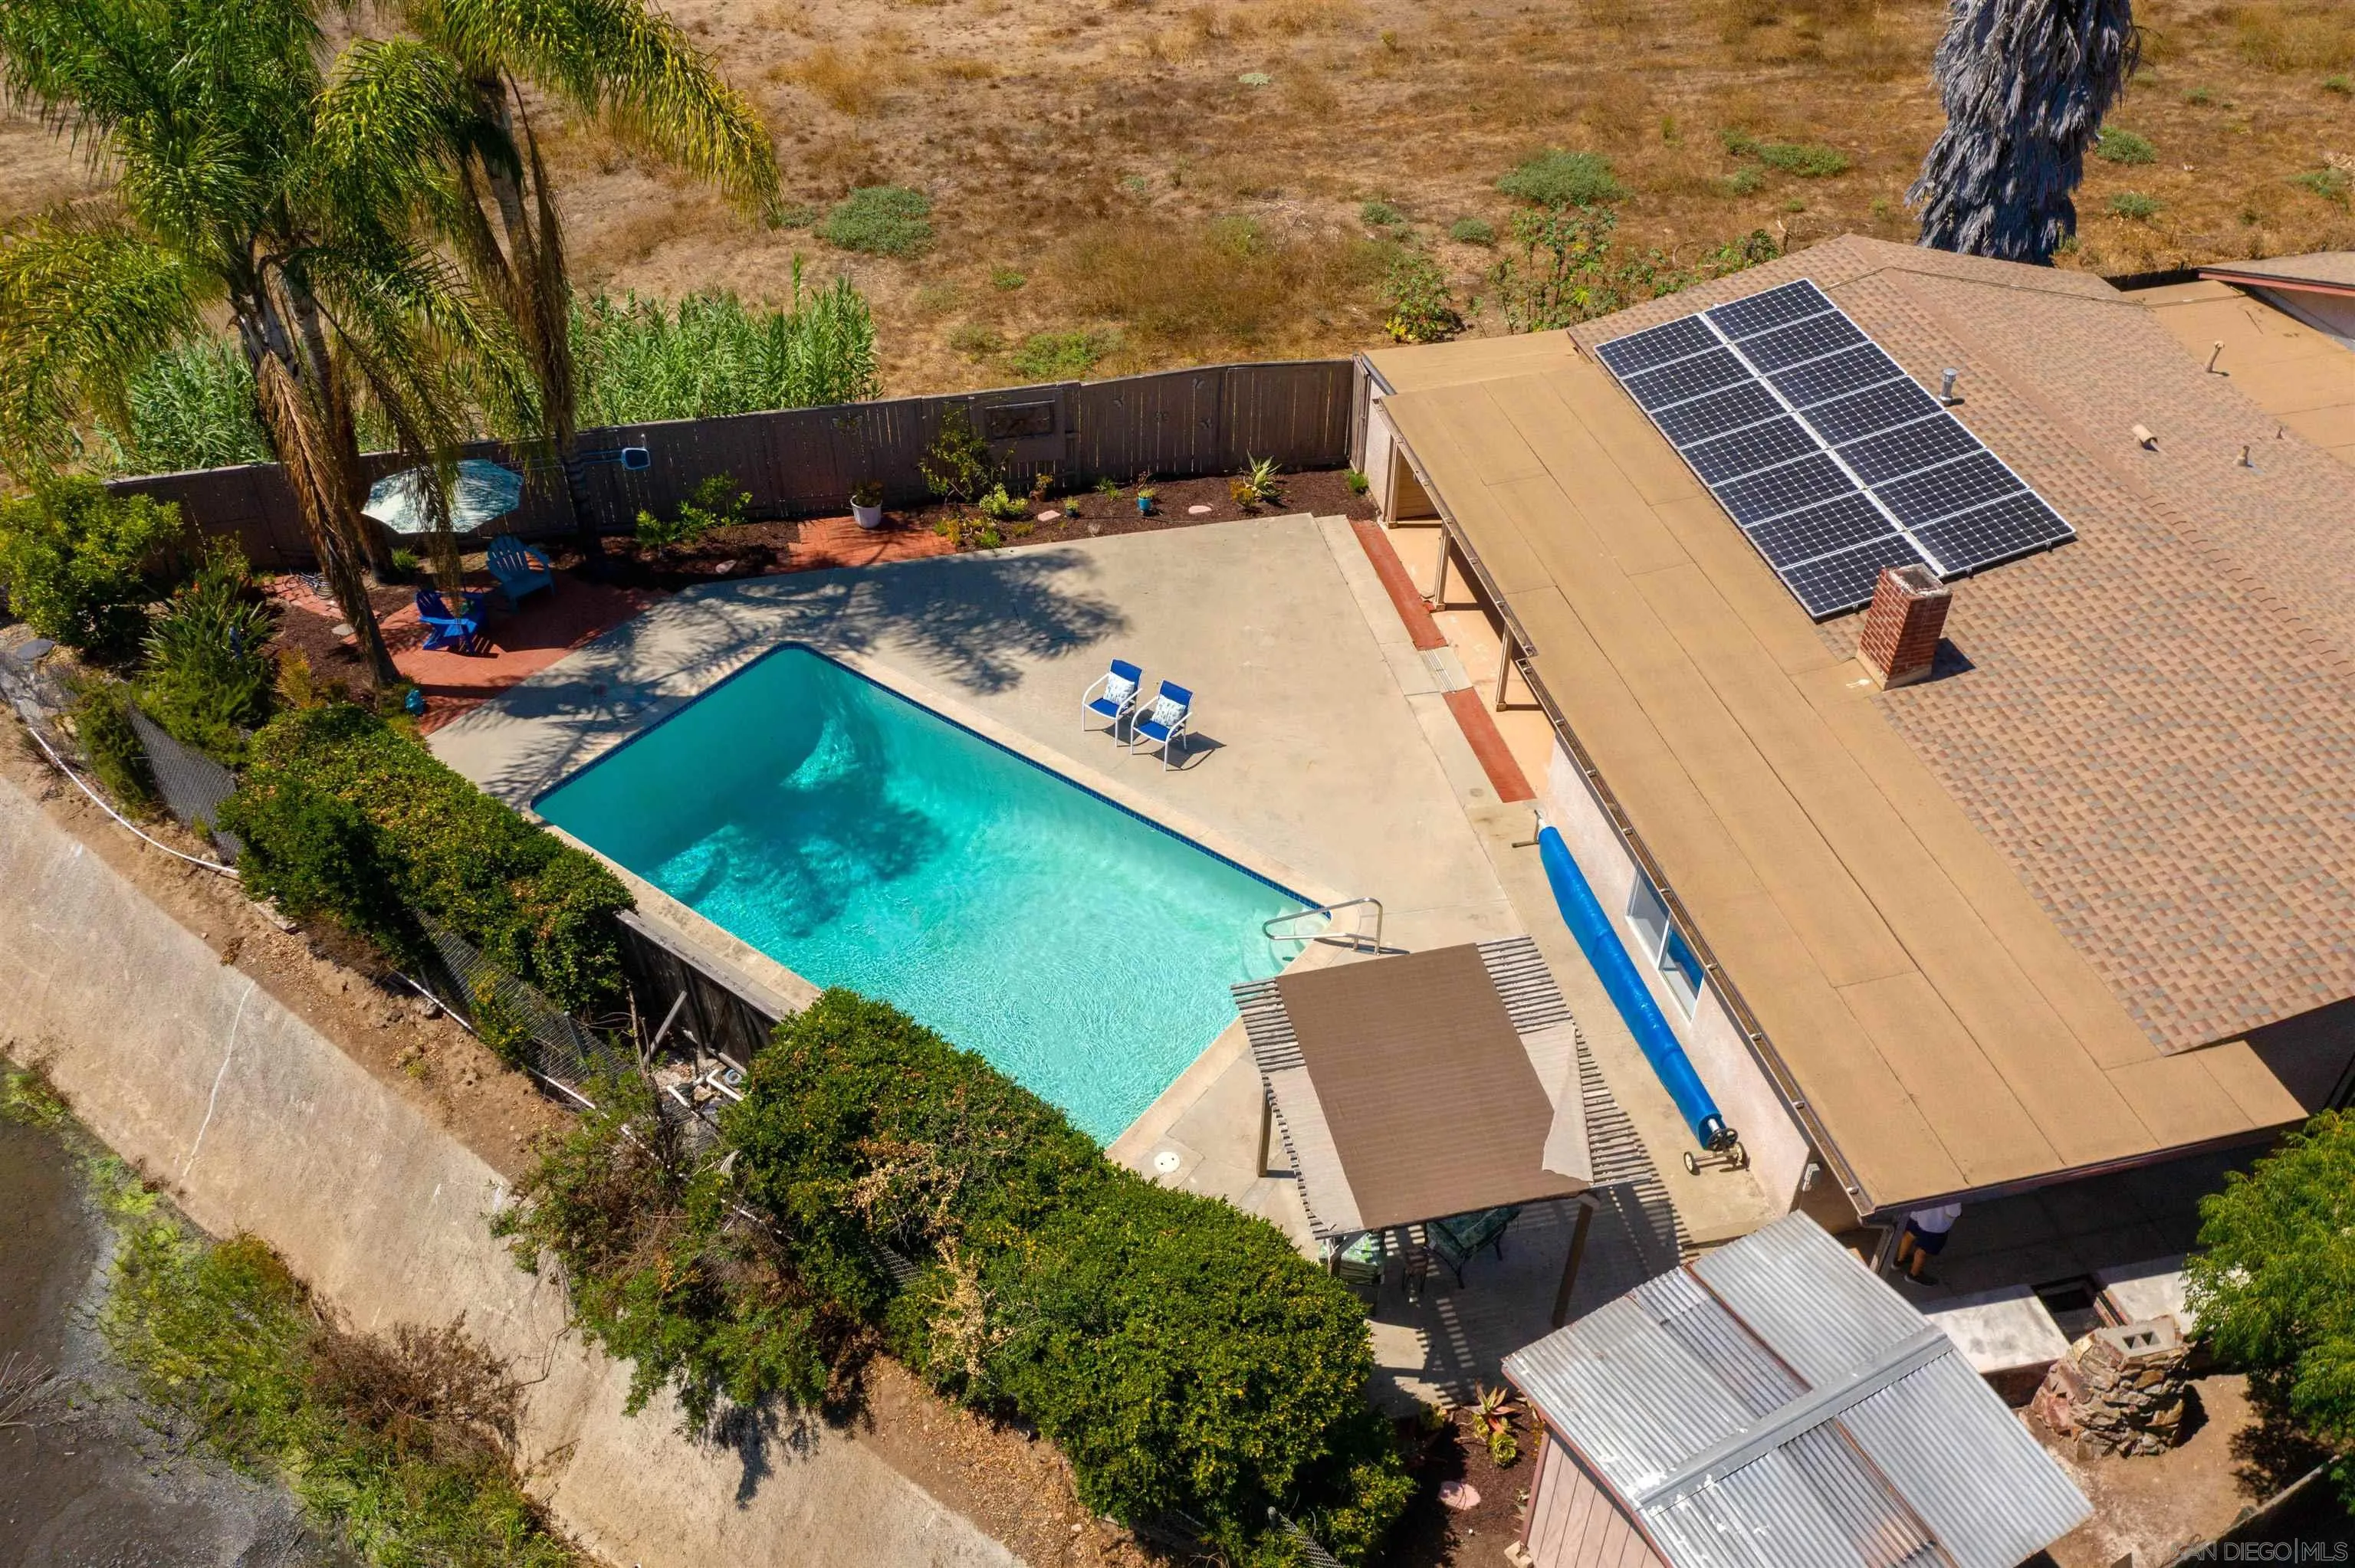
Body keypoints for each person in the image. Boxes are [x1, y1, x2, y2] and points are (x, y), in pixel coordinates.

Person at [1894, 1201, 1961, 1284]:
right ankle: (1914, 1275)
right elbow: (1953, 1213)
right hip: (1934, 1225)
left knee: (1909, 1235)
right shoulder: (1952, 1191)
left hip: (1916, 1214)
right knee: (1923, 1251)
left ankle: (1899, 1261)